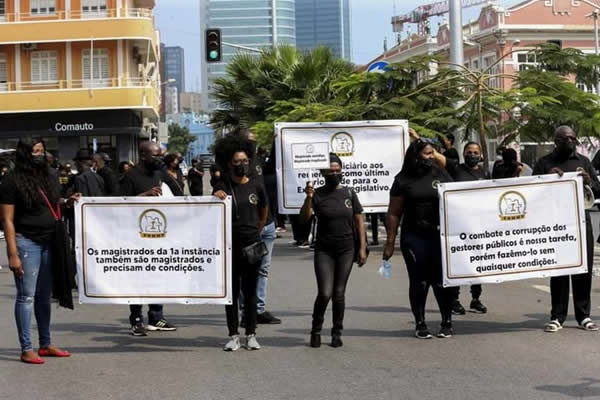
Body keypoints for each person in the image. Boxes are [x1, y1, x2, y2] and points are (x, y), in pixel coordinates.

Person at [0, 137, 80, 364]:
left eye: (42, 150)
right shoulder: (11, 181)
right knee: (26, 296)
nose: (39, 155)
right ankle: (26, 348)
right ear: (24, 153)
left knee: (43, 296)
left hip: (50, 242)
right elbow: (7, 220)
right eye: (34, 151)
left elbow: (51, 203)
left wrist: (66, 202)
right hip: (27, 243)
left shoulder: (49, 177)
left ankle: (45, 344)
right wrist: (12, 254)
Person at [384, 139, 455, 339]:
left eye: (432, 153)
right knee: (420, 281)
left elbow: (457, 199)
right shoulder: (402, 180)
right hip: (414, 237)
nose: (430, 157)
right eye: (427, 153)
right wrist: (390, 242)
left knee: (441, 282)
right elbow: (394, 213)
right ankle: (420, 323)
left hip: (439, 236)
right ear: (415, 156)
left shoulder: (440, 174)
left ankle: (446, 322)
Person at [532, 126, 600, 333]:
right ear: (556, 142)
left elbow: (597, 189)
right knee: (560, 271)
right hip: (557, 225)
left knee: (583, 269)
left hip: (581, 222)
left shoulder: (584, 162)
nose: (570, 141)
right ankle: (557, 316)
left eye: (573, 138)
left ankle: (583, 316)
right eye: (566, 139)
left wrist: (589, 181)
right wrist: (547, 179)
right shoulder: (545, 163)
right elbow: (532, 190)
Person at [299, 153, 368, 348]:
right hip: (324, 249)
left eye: (338, 170)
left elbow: (359, 220)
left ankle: (337, 332)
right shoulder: (317, 194)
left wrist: (362, 248)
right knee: (325, 292)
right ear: (323, 172)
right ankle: (316, 329)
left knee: (339, 292)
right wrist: (309, 197)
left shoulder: (349, 193)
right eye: (331, 171)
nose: (335, 173)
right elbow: (304, 218)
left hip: (347, 248)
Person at [213, 135, 268, 351]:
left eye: (245, 161)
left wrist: (256, 231)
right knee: (231, 293)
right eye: (237, 161)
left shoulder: (257, 185)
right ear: (230, 163)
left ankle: (251, 334)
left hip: (252, 245)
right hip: (229, 246)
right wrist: (216, 194)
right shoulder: (223, 186)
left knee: (251, 291)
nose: (242, 165)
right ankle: (233, 335)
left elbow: (264, 212)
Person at [120, 142, 176, 335]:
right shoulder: (130, 176)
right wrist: (145, 195)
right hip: (135, 237)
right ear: (143, 155)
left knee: (157, 276)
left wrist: (168, 175)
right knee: (137, 279)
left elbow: (177, 193)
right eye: (156, 156)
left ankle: (156, 316)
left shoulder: (159, 174)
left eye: (161, 155)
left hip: (158, 236)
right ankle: (136, 319)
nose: (160, 159)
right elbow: (119, 204)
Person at [443, 141, 489, 315]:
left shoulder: (484, 172)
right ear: (463, 153)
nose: (472, 155)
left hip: (478, 225)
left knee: (478, 263)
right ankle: (454, 300)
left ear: (480, 155)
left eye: (475, 152)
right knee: (460, 262)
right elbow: (439, 159)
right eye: (469, 152)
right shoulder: (456, 169)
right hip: (459, 224)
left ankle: (475, 299)